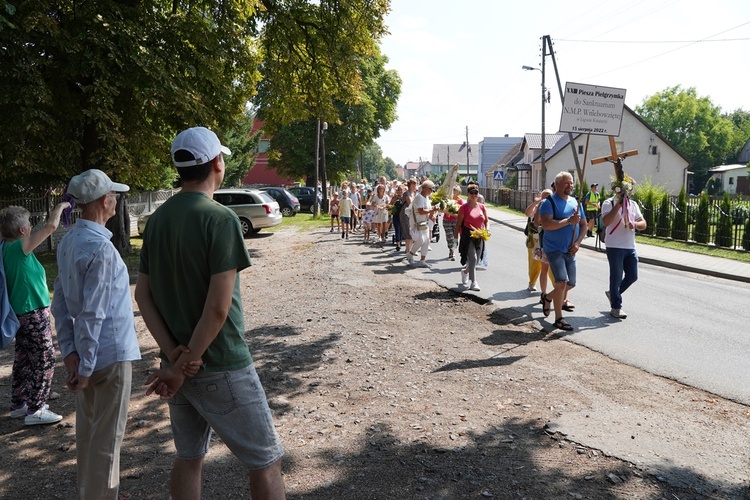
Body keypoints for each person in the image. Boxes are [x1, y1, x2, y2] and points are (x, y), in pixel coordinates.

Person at [134, 126, 285, 499]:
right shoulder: (220, 219)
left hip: (181, 364)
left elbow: (143, 296)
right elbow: (218, 309)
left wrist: (174, 357)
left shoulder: (157, 220)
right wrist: (187, 362)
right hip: (221, 362)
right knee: (266, 461)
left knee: (189, 458)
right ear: (216, 163)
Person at [51, 169, 141, 499]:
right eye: (114, 196)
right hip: (109, 356)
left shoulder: (68, 243)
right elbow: (92, 313)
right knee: (106, 440)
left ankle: (95, 493)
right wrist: (83, 365)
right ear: (105, 201)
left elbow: (59, 304)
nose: (116, 200)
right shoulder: (99, 249)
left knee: (90, 436)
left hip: (89, 356)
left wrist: (71, 354)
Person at [1, 202, 69, 425]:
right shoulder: (20, 248)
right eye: (28, 224)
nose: (31, 227)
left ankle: (20, 404)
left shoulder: (5, 247)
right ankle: (36, 409)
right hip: (31, 312)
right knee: (44, 358)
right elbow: (50, 226)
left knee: (24, 358)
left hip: (21, 313)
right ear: (22, 231)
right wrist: (60, 205)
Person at [539, 172, 586, 331]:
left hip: (570, 249)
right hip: (554, 249)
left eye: (571, 183)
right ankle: (559, 319)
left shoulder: (575, 202)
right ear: (557, 184)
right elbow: (547, 225)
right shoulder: (548, 202)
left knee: (570, 283)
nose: (570, 186)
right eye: (566, 183)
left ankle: (547, 298)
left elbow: (584, 225)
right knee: (561, 282)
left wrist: (578, 243)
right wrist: (568, 221)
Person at [601, 184, 646, 319]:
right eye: (624, 190)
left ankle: (613, 293)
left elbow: (643, 223)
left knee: (633, 276)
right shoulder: (608, 203)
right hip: (614, 246)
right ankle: (616, 307)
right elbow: (606, 221)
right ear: (617, 190)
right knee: (616, 276)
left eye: (629, 189)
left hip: (630, 246)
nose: (627, 192)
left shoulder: (633, 204)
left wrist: (635, 224)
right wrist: (618, 205)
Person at [455, 186, 488, 290]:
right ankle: (473, 282)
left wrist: (487, 230)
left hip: (480, 235)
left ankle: (465, 272)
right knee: (472, 258)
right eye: (471, 193)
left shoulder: (482, 207)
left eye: (476, 193)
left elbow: (486, 221)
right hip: (468, 235)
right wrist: (456, 238)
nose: (474, 195)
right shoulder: (464, 208)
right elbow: (458, 223)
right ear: (468, 194)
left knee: (477, 260)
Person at [524, 189, 554, 302]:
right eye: (545, 196)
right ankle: (532, 282)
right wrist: (535, 203)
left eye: (549, 197)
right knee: (534, 264)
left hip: (547, 239)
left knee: (549, 266)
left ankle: (554, 285)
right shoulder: (537, 207)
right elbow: (527, 213)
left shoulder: (552, 208)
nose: (547, 199)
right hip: (534, 238)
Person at [441, 185, 463, 261]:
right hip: (446, 220)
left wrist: (451, 214)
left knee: (455, 237)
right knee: (449, 236)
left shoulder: (460, 201)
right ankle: (452, 251)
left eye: (456, 192)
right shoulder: (448, 199)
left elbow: (461, 213)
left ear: (458, 193)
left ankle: (453, 247)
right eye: (453, 192)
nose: (454, 193)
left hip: (456, 221)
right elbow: (442, 209)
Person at [399, 178, 418, 259]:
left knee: (412, 233)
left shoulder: (413, 194)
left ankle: (410, 250)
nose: (414, 187)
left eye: (415, 185)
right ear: (409, 186)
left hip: (410, 215)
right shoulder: (407, 194)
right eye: (413, 185)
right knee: (408, 233)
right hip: (404, 215)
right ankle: (408, 251)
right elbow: (411, 203)